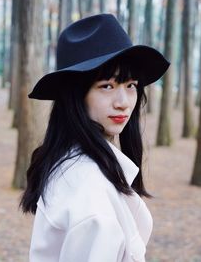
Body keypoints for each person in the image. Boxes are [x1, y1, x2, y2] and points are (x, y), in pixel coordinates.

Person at [20, 14, 169, 262]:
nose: (123, 103)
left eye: (130, 85)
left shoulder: (70, 162)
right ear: (76, 96)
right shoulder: (90, 192)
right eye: (107, 86)